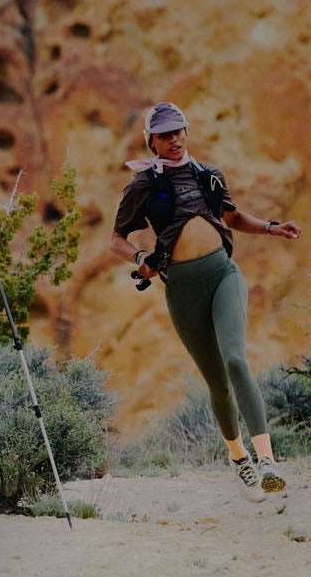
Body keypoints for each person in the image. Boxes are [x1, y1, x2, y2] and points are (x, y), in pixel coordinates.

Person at [110, 102, 301, 496]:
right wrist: (141, 259)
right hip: (181, 289)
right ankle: (238, 458)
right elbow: (116, 240)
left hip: (222, 275)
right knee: (217, 384)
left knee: (235, 359)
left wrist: (272, 228)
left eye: (178, 131)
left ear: (186, 132)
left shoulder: (208, 175)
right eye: (164, 134)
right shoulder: (142, 185)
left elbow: (231, 218)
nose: (174, 139)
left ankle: (266, 460)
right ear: (152, 141)